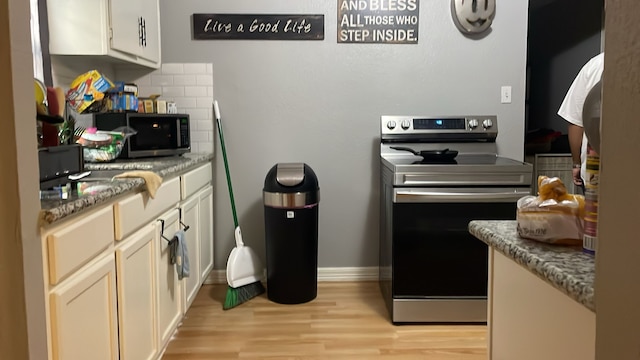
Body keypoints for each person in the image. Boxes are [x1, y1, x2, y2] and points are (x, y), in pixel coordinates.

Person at [557, 52, 604, 193]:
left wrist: (576, 164)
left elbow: (576, 121)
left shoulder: (595, 65)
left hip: (594, 169)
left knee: (594, 213)